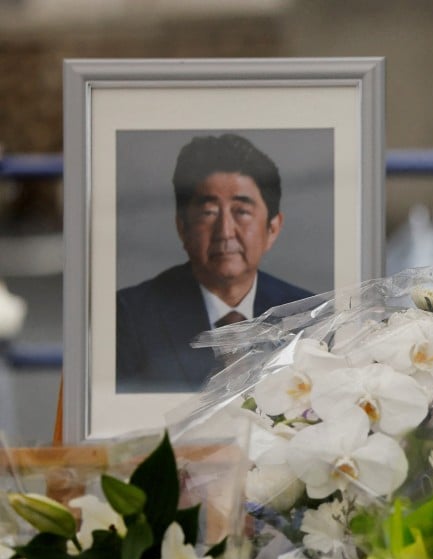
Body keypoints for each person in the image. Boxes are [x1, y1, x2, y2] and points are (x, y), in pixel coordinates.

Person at [117, 133, 313, 393]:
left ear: (272, 229)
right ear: (182, 227)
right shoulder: (130, 316)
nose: (225, 231)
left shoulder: (307, 316)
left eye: (242, 212)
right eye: (208, 213)